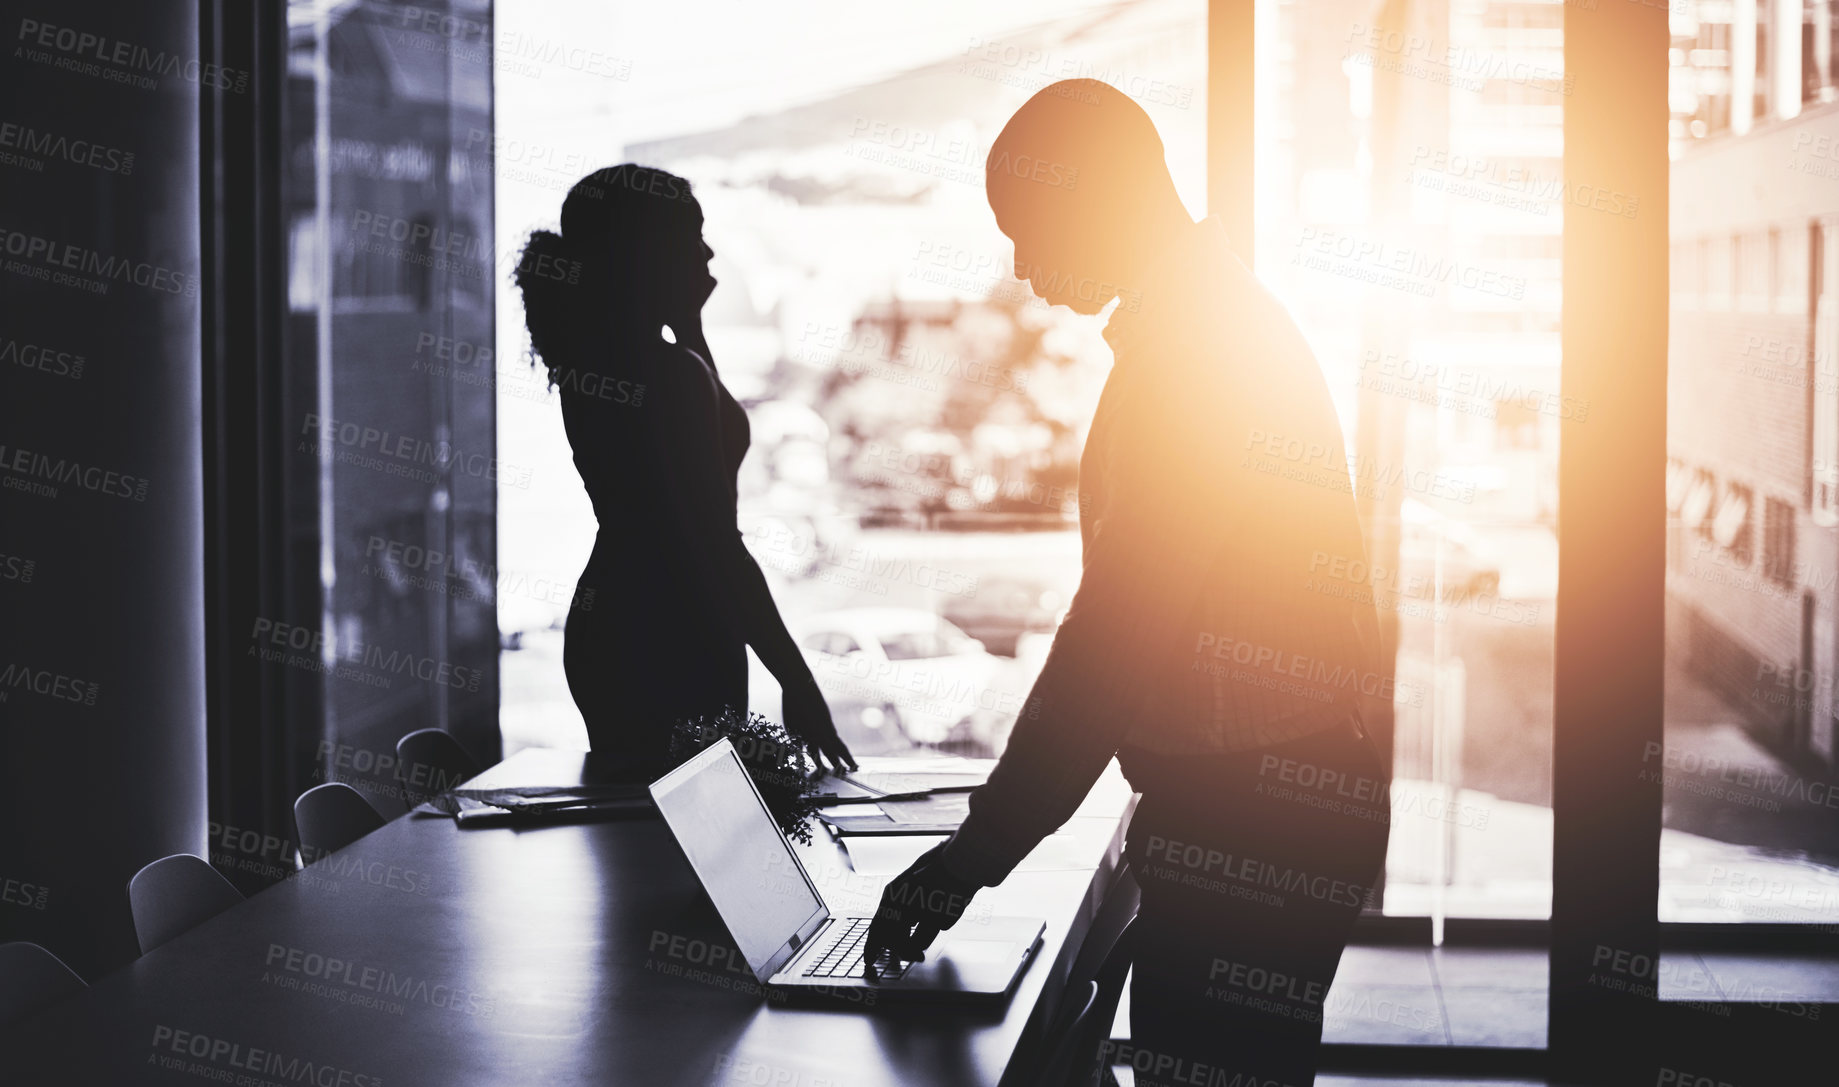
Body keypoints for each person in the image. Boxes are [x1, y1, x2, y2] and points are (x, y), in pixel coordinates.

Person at [864, 82, 1391, 1086]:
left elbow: (1119, 627)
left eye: (1030, 232)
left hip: (1256, 816)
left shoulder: (1197, 350)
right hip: (1263, 807)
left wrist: (976, 853)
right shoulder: (1203, 323)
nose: (1021, 269)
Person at [513, 165, 856, 776]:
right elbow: (716, 542)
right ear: (648, 255)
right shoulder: (665, 375)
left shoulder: (616, 363)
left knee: (648, 839)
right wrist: (796, 681)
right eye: (691, 235)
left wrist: (688, 322)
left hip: (629, 620)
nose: (709, 250)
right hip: (671, 630)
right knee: (693, 832)